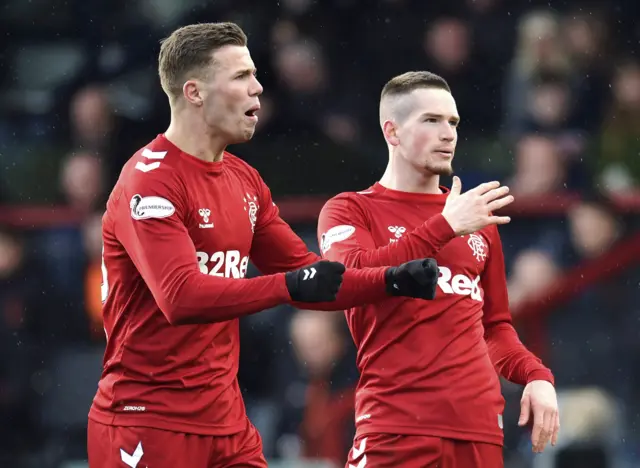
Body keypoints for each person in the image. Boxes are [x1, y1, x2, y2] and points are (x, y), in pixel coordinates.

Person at [86, 24, 442, 468]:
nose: (257, 88)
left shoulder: (244, 180)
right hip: (147, 421)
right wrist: (288, 287)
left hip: (226, 422)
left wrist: (391, 279)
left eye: (254, 75)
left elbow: (317, 277)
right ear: (194, 92)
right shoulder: (149, 180)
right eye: (240, 77)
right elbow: (181, 297)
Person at [317, 71, 560, 468]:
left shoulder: (477, 220)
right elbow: (347, 280)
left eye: (453, 122)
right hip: (395, 428)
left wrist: (536, 375)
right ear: (392, 132)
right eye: (431, 120)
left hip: (479, 430)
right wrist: (444, 227)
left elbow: (495, 329)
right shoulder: (350, 209)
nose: (448, 133)